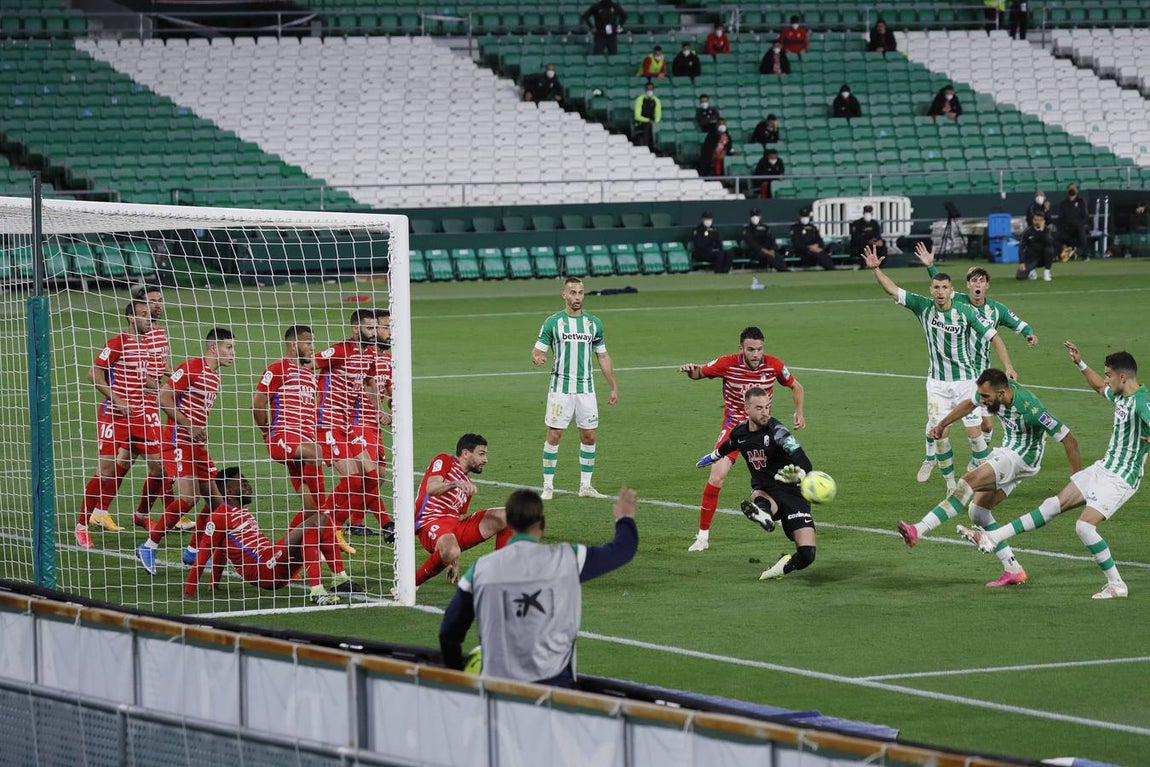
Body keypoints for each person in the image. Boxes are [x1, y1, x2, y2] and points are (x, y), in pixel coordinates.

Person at [959, 344, 1149, 600]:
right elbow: (1097, 387)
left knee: (1084, 528)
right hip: (1103, 467)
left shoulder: (1141, 403)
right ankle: (991, 537)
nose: (1105, 379)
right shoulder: (1121, 396)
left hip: (1122, 477)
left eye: (1108, 375)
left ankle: (1117, 584)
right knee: (1051, 505)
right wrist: (1080, 364)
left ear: (1122, 377)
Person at [438, 486, 639, 686]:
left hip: (496, 693)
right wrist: (625, 518)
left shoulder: (480, 569)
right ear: (542, 523)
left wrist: (458, 673)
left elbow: (449, 633)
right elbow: (623, 550)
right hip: (553, 688)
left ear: (509, 524)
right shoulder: (566, 559)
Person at [899, 368, 1080, 587]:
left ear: (1002, 393)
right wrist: (943, 423)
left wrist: (1076, 480)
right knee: (979, 513)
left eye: (986, 397)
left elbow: (1069, 439)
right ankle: (1013, 569)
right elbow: (969, 404)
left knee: (966, 483)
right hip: (1007, 452)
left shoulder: (1031, 409)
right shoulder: (992, 395)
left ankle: (918, 529)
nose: (982, 400)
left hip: (1021, 458)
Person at [861, 243, 1018, 492]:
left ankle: (984, 474)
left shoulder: (966, 312)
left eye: (945, 287)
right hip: (936, 383)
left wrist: (1008, 365)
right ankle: (950, 484)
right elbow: (893, 290)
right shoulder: (923, 307)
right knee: (940, 432)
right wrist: (875, 270)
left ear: (952, 291)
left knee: (975, 433)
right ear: (931, 290)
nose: (940, 291)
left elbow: (995, 337)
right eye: (936, 287)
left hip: (966, 381)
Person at [679, 327, 805, 552]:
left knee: (784, 475)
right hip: (735, 429)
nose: (756, 354)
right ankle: (702, 537)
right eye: (751, 349)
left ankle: (777, 515)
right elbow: (699, 373)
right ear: (741, 349)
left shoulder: (774, 364)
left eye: (759, 349)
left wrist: (799, 411)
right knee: (717, 476)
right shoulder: (727, 363)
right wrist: (690, 370)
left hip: (766, 429)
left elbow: (796, 386)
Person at [916, 248, 1039, 475]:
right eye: (974, 280)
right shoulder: (959, 302)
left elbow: (1016, 322)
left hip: (980, 373)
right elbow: (939, 289)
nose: (977, 284)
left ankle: (979, 458)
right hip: (957, 372)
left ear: (987, 285)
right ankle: (930, 456)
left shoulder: (996, 309)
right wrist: (929, 266)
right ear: (968, 285)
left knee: (987, 425)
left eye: (982, 280)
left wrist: (1028, 333)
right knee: (940, 419)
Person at [252, 325, 349, 581]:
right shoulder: (277, 369)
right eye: (308, 343)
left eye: (312, 342)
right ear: (293, 345)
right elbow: (258, 402)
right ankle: (342, 475)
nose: (312, 347)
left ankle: (282, 557)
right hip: (284, 439)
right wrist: (266, 432)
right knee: (319, 454)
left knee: (315, 514)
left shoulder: (308, 375)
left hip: (304, 447)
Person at [136, 328, 236, 575]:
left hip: (196, 446)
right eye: (229, 347)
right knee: (188, 499)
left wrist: (198, 432)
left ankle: (193, 552)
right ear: (214, 348)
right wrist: (190, 426)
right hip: (176, 441)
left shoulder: (215, 376)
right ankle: (148, 546)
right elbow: (163, 397)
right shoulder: (192, 367)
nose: (233, 353)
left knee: (217, 503)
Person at [694, 387, 817, 580]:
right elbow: (729, 445)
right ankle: (763, 514)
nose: (765, 412)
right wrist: (712, 456)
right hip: (768, 492)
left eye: (767, 407)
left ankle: (778, 568)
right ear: (747, 409)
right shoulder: (740, 433)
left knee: (807, 555)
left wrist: (801, 474)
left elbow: (802, 457)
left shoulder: (778, 432)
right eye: (759, 408)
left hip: (794, 492)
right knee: (758, 494)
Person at [182, 468, 350, 606]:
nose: (249, 487)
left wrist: (214, 582)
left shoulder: (241, 513)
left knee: (319, 518)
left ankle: (338, 579)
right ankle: (318, 591)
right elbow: (205, 552)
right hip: (264, 569)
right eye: (243, 483)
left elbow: (222, 549)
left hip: (273, 559)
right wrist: (189, 591)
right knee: (315, 522)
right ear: (229, 491)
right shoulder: (219, 517)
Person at [75, 299, 159, 548]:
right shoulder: (117, 343)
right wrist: (118, 399)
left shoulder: (144, 346)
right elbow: (94, 374)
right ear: (132, 318)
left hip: (140, 415)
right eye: (144, 315)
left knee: (160, 468)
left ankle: (142, 515)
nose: (149, 319)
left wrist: (166, 390)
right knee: (106, 472)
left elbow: (143, 379)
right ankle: (82, 526)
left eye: (149, 315)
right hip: (114, 415)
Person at [533, 278, 619, 499]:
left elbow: (603, 355)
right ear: (564, 294)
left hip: (586, 389)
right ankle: (548, 486)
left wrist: (613, 386)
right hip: (560, 388)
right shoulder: (553, 322)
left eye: (581, 293)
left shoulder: (593, 324)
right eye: (573, 292)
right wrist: (539, 357)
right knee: (555, 434)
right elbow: (537, 350)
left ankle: (586, 486)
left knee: (589, 436)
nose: (577, 297)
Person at [316, 310, 393, 544]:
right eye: (369, 328)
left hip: (347, 424)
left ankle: (378, 525)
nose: (373, 333)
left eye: (374, 328)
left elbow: (370, 380)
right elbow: (309, 364)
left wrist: (377, 408)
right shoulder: (339, 350)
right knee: (353, 481)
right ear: (355, 329)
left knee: (371, 476)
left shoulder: (369, 354)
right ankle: (327, 528)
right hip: (327, 423)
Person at [414, 434, 511, 585]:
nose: (485, 460)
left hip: (454, 529)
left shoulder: (467, 483)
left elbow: (458, 518)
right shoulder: (444, 460)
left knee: (509, 515)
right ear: (465, 453)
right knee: (451, 550)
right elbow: (431, 488)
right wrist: (454, 484)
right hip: (429, 523)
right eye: (481, 454)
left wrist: (454, 561)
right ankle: (410, 584)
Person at [130, 285, 177, 531]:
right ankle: (169, 514)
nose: (158, 305)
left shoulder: (160, 332)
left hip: (152, 402)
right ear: (140, 307)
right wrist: (162, 394)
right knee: (160, 462)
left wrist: (176, 376)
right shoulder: (139, 335)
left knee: (124, 462)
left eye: (160, 300)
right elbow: (140, 372)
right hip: (139, 403)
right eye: (152, 301)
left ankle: (99, 511)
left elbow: (162, 364)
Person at [347, 308, 394, 537]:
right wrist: (379, 411)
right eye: (386, 327)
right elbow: (363, 388)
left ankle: (354, 521)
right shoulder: (364, 358)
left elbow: (389, 389)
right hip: (359, 422)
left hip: (375, 425)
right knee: (370, 475)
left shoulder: (386, 359)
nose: (390, 333)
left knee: (380, 476)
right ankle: (385, 523)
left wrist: (392, 414)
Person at [1017, 210, 1055, 282]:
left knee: (1050, 250)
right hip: (1031, 259)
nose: (1038, 222)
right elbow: (1021, 246)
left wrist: (1042, 231)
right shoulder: (1028, 231)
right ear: (1033, 220)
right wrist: (1021, 262)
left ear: (1043, 221)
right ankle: (1032, 270)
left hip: (1043, 258)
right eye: (1036, 220)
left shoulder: (1047, 231)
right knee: (1020, 276)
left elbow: (1050, 243)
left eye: (1040, 220)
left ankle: (1046, 273)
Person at [1056, 184, 1089, 261]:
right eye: (1070, 188)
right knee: (1056, 236)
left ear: (1077, 190)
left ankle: (1085, 255)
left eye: (1074, 188)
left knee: (1081, 231)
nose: (1072, 190)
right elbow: (1061, 218)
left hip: (1078, 228)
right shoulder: (1063, 203)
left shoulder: (1081, 201)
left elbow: (1085, 216)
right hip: (1067, 228)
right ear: (1067, 190)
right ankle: (1061, 255)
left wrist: (1080, 224)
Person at [632, 83, 661, 150]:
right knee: (648, 126)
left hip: (653, 122)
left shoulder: (656, 100)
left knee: (655, 126)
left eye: (651, 89)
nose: (650, 91)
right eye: (648, 89)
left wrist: (656, 121)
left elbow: (658, 113)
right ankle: (646, 147)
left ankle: (657, 147)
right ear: (645, 89)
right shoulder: (640, 99)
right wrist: (648, 120)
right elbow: (637, 116)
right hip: (641, 122)